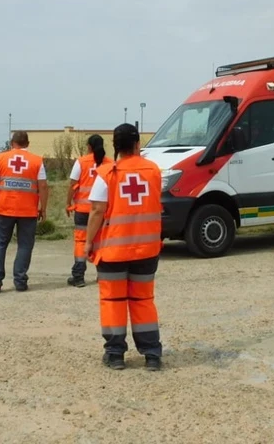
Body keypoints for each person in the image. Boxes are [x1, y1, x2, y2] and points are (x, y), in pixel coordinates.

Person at [84, 123, 164, 371]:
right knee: (143, 301)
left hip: (113, 251)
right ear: (137, 144)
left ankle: (116, 354)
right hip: (147, 249)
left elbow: (97, 210)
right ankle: (151, 354)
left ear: (115, 146)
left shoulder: (107, 174)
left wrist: (88, 242)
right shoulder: (153, 171)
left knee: (113, 300)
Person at [0, 130, 48, 293]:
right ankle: (20, 281)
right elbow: (43, 186)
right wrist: (43, 208)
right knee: (25, 245)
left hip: (3, 209)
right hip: (28, 211)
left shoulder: (0, 158)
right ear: (27, 144)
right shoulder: (37, 161)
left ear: (12, 143)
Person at [64, 134, 112, 287]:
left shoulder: (81, 162)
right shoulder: (110, 163)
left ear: (89, 146)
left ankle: (78, 276)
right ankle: (103, 274)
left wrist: (68, 202)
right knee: (102, 241)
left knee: (80, 241)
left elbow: (73, 184)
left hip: (83, 210)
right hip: (104, 210)